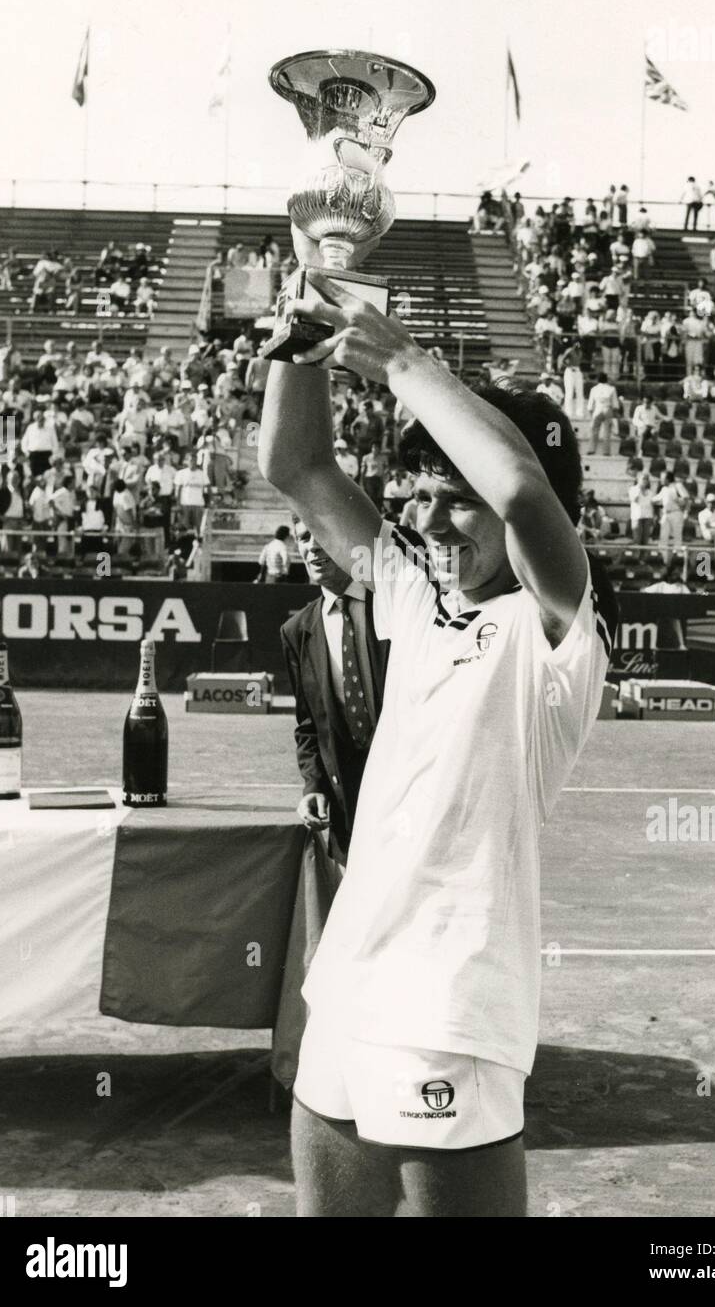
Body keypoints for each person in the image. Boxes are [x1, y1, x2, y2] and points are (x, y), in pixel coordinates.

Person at [257, 235, 618, 1219]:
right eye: (425, 494)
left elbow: (520, 489)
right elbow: (296, 463)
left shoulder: (557, 633)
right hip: (346, 989)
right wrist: (305, 325)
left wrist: (403, 360)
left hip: (453, 1006)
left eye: (453, 501)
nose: (432, 516)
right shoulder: (414, 595)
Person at [281, 517, 389, 864]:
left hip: (409, 782)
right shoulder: (296, 631)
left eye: (320, 536)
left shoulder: (394, 603)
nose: (311, 546)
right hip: (348, 801)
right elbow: (308, 726)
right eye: (302, 538)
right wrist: (314, 786)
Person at [586, 373, 619, 455]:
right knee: (607, 431)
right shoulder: (612, 389)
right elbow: (615, 404)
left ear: (598, 380)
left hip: (597, 409)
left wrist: (591, 415)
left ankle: (591, 449)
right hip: (607, 409)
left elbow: (590, 405)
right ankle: (606, 451)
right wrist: (614, 414)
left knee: (594, 431)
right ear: (606, 379)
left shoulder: (594, 389)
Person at [628, 472, 655, 545]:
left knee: (645, 541)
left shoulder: (650, 492)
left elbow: (651, 505)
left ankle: (644, 556)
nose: (645, 481)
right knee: (637, 540)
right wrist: (639, 488)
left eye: (647, 479)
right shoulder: (633, 489)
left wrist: (653, 517)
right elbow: (635, 499)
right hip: (637, 518)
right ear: (638, 479)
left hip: (648, 518)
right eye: (643, 479)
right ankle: (636, 556)